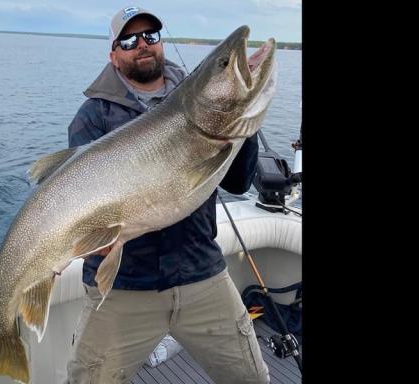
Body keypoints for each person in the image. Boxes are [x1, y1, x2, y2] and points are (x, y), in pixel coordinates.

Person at [65, 6, 269, 384]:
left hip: (200, 272)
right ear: (113, 55)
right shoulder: (92, 117)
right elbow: (77, 199)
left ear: (160, 43)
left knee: (250, 378)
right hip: (123, 287)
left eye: (150, 36)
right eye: (128, 40)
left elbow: (238, 184)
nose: (141, 45)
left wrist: (242, 123)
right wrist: (88, 240)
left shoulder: (197, 97)